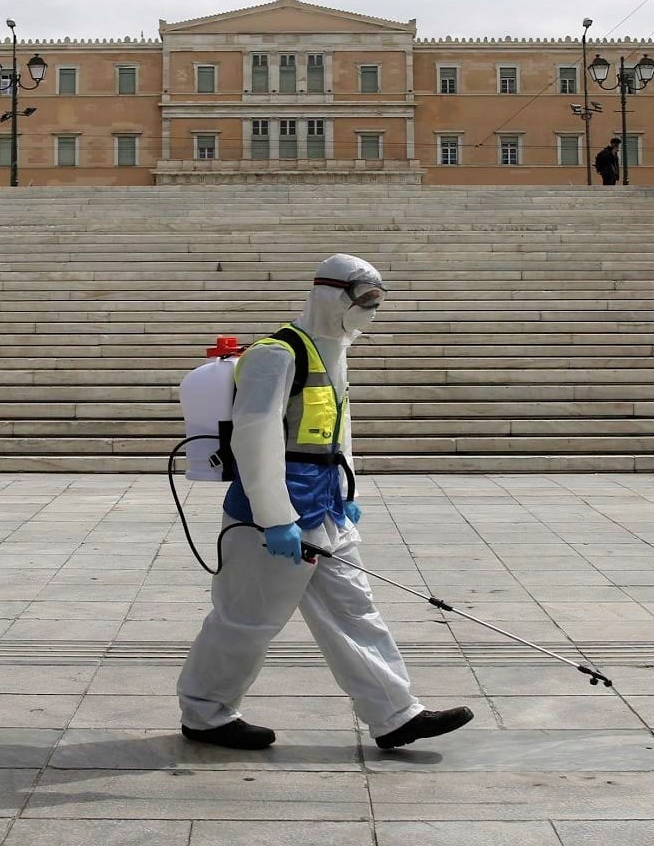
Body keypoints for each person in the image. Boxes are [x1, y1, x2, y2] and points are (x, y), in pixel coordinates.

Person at [178, 254, 474, 752]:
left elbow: (338, 432)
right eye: (363, 302)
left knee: (355, 610)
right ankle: (205, 714)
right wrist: (275, 519)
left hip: (327, 506)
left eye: (376, 303)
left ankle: (396, 714)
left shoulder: (333, 350)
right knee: (247, 618)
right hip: (272, 514)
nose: (370, 313)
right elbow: (255, 437)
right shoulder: (278, 354)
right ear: (333, 296)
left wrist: (348, 491)